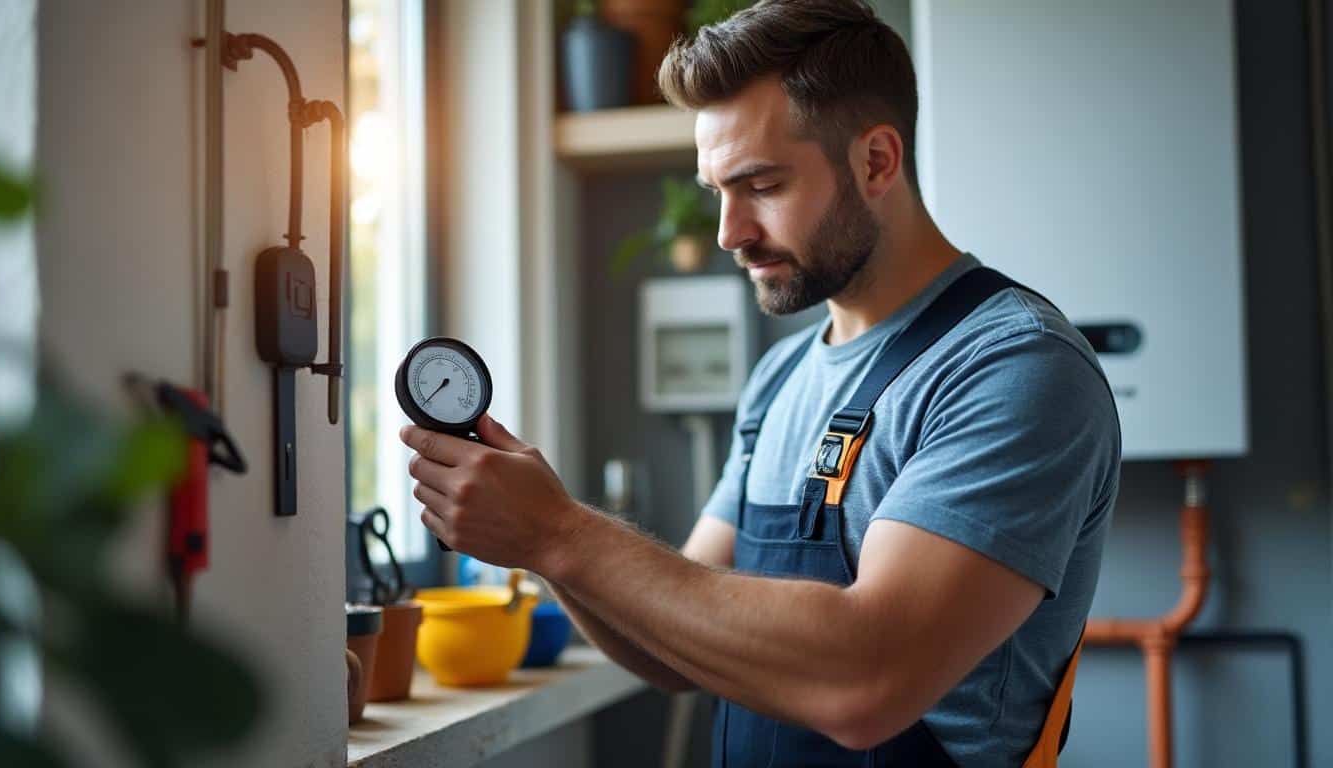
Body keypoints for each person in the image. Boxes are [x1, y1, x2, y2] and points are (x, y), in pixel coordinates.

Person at [400, 1, 1121, 765]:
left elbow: (868, 678)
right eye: (718, 192)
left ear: (877, 161)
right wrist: (542, 543)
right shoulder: (782, 380)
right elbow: (672, 651)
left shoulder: (1013, 368)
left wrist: (558, 530)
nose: (729, 232)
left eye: (762, 185)